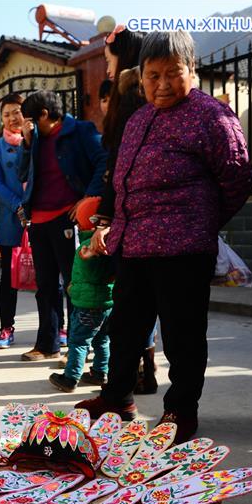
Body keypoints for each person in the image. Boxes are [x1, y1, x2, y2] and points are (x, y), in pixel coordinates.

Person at [78, 31, 252, 443]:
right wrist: (110, 226)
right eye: (153, 75)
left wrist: (201, 219)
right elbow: (121, 182)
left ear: (192, 70)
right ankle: (118, 397)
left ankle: (181, 409)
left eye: (173, 74)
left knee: (182, 334)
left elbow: (239, 177)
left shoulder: (212, 116)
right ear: (141, 78)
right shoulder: (140, 117)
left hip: (183, 248)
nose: (162, 85)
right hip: (134, 245)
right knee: (125, 328)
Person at [17, 91, 107, 362]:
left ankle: (81, 346)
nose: (26, 125)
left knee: (75, 284)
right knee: (45, 286)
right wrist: (26, 142)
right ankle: (47, 345)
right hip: (39, 221)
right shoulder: (35, 139)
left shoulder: (80, 130)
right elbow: (22, 173)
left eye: (29, 120)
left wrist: (87, 199)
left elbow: (103, 160)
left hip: (67, 221)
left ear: (44, 114)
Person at [92, 26, 158, 395]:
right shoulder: (142, 92)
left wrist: (106, 217)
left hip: (132, 215)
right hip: (140, 213)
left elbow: (118, 163)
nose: (107, 67)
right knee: (141, 300)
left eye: (108, 59)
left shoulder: (131, 93)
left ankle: (129, 380)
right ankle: (144, 370)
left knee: (131, 302)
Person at [49, 197, 113, 392]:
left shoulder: (88, 246)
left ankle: (70, 378)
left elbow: (88, 276)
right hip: (106, 303)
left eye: (78, 220)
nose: (76, 224)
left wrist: (73, 288)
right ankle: (100, 372)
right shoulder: (109, 241)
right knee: (102, 339)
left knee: (78, 341)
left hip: (87, 303)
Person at [0, 94, 27, 349]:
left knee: (50, 276)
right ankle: (6, 327)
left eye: (17, 112)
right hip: (10, 220)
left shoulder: (37, 141)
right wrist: (18, 205)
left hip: (41, 216)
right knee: (8, 277)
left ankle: (57, 326)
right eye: (7, 114)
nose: (13, 118)